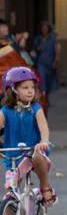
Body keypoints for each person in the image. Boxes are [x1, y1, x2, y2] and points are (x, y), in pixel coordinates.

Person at [0, 66, 54, 205]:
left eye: (32, 87)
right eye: (25, 88)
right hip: (13, 155)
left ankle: (44, 185)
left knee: (37, 156)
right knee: (10, 193)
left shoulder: (36, 109)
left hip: (33, 150)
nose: (30, 91)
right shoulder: (5, 110)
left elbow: (44, 128)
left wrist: (44, 141)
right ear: (13, 90)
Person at [31, 22, 58, 104]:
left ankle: (47, 97)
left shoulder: (52, 39)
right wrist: (37, 49)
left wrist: (56, 61)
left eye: (46, 28)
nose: (44, 30)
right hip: (40, 63)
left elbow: (57, 50)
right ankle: (43, 100)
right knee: (42, 82)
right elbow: (33, 50)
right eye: (42, 28)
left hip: (50, 62)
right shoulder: (37, 39)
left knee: (49, 82)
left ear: (48, 29)